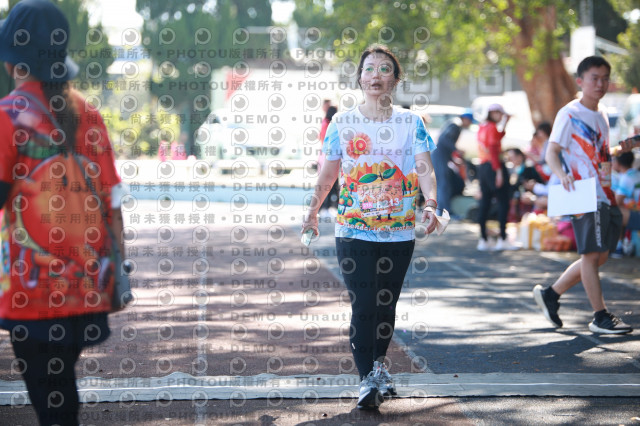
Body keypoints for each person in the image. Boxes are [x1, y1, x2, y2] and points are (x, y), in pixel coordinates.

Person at [0, 1, 126, 424]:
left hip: (31, 293)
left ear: (13, 61)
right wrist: (118, 271)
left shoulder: (8, 116)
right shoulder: (87, 113)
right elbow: (112, 203)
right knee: (60, 390)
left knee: (52, 402)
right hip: (85, 288)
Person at [301, 44, 438, 410]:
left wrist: (431, 203)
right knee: (364, 302)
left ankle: (378, 366)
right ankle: (367, 378)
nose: (376, 75)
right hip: (353, 229)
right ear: (359, 78)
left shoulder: (411, 123)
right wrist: (313, 210)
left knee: (385, 302)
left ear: (395, 79)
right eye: (369, 69)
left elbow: (424, 168)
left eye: (384, 69)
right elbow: (329, 173)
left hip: (398, 230)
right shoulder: (342, 123)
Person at [533, 56, 632, 334]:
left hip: (605, 193)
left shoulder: (602, 114)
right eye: (594, 78)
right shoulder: (570, 113)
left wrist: (622, 148)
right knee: (591, 255)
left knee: (600, 256)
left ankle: (551, 294)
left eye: (605, 79)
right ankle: (600, 316)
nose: (600, 84)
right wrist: (562, 174)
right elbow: (552, 152)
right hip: (583, 194)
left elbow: (599, 152)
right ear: (580, 81)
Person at [476, 103, 518, 250]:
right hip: (494, 166)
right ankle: (503, 239)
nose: (501, 117)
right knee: (503, 202)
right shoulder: (492, 127)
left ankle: (483, 239)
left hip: (483, 167)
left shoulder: (482, 127)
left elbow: (498, 137)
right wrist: (499, 171)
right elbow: (494, 148)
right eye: (500, 114)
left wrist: (505, 122)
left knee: (485, 202)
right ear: (493, 113)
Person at [431, 108, 474, 214]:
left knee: (444, 185)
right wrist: (456, 150)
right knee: (443, 185)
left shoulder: (454, 125)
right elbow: (443, 140)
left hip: (442, 157)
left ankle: (443, 210)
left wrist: (454, 159)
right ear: (465, 119)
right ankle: (443, 211)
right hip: (439, 158)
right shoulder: (455, 126)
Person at [318, 105, 339, 214]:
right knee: (331, 184)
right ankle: (325, 207)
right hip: (328, 155)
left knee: (331, 185)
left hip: (324, 155)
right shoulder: (331, 124)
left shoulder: (325, 123)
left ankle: (327, 207)